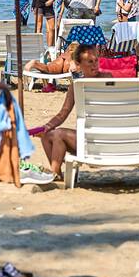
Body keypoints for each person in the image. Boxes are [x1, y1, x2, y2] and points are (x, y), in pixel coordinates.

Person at [36, 44, 103, 178]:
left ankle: (54, 174)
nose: (95, 65)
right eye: (90, 61)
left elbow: (63, 114)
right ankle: (58, 174)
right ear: (78, 65)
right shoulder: (108, 79)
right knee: (46, 135)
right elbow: (62, 114)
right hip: (98, 141)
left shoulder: (105, 80)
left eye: (96, 60)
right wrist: (45, 127)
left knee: (58, 133)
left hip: (97, 143)